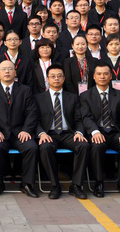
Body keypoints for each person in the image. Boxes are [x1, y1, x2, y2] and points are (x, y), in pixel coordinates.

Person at [0, 60, 39, 198]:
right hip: (0, 133)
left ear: (15, 72)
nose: (7, 71)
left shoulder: (25, 90)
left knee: (32, 147)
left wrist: (26, 130)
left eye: (10, 69)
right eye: (3, 69)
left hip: (20, 133)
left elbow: (32, 112)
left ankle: (27, 184)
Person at [80, 63, 120, 198]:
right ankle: (98, 182)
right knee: (97, 146)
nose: (102, 77)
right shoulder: (85, 96)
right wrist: (95, 132)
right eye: (99, 74)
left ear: (111, 76)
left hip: (116, 132)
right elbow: (86, 117)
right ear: (94, 76)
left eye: (105, 74)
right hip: (98, 132)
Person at [36, 64, 89, 199]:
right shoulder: (38, 98)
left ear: (64, 78)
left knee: (83, 145)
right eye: (53, 76)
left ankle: (76, 185)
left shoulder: (73, 97)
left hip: (68, 134)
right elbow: (34, 120)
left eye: (59, 76)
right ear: (47, 79)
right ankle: (55, 185)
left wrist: (79, 132)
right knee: (45, 147)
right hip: (49, 134)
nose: (56, 79)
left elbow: (79, 119)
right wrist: (41, 133)